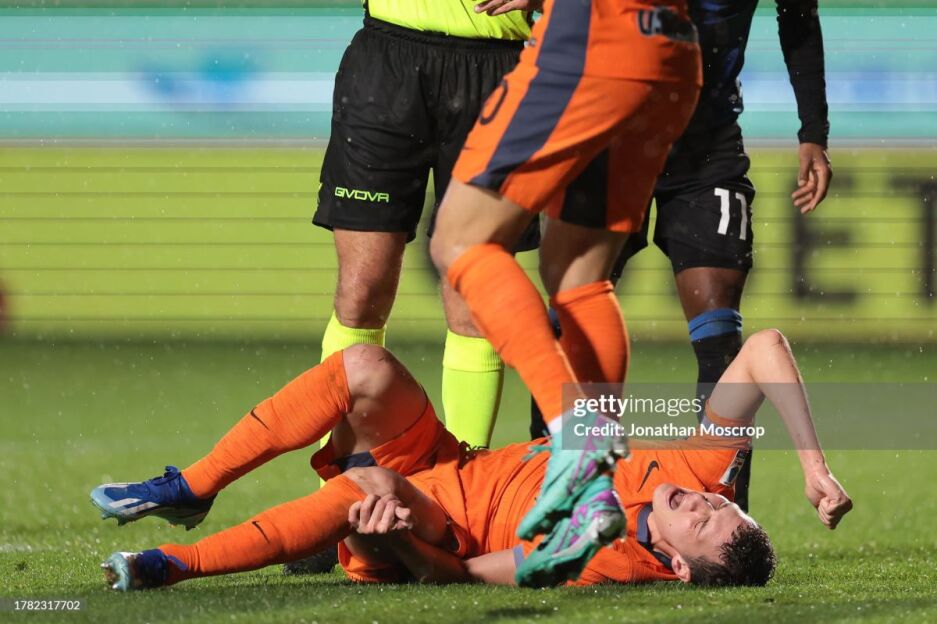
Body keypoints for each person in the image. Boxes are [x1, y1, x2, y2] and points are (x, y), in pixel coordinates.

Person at [90, 329, 852, 591]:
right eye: (723, 504)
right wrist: (812, 467)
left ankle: (173, 565)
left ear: (675, 566)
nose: (706, 502)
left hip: (428, 520)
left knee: (368, 485)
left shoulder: (597, 556)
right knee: (364, 366)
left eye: (707, 523)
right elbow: (763, 349)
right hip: (450, 463)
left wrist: (397, 544)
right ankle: (194, 487)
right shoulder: (696, 471)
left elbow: (457, 576)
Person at [528, 0, 834, 514]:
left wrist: (813, 132)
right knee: (571, 318)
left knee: (719, 333)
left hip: (706, 149)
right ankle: (544, 495)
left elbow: (798, 16)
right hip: (608, 137)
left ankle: (725, 510)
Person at [427, 0, 702, 560]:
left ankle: (577, 437)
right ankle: (594, 491)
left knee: (459, 242)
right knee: (578, 274)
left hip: (591, 40)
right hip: (669, 49)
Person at [312, 0, 541, 452]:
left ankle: (464, 481)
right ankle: (338, 483)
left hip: (499, 70)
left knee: (473, 298)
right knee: (361, 293)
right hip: (387, 64)